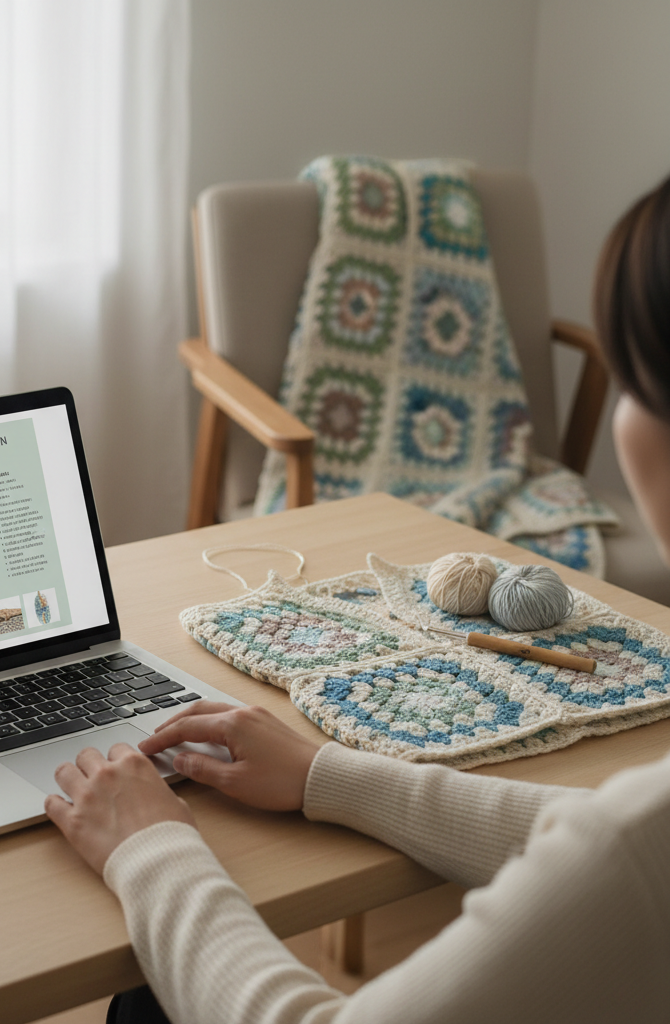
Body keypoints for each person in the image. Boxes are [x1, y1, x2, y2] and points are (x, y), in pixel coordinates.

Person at [44, 175, 670, 1024]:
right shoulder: (637, 839)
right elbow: (605, 837)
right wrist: (327, 776)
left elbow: (629, 850)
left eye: (637, 378)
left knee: (148, 1001)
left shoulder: (638, 847)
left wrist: (151, 850)